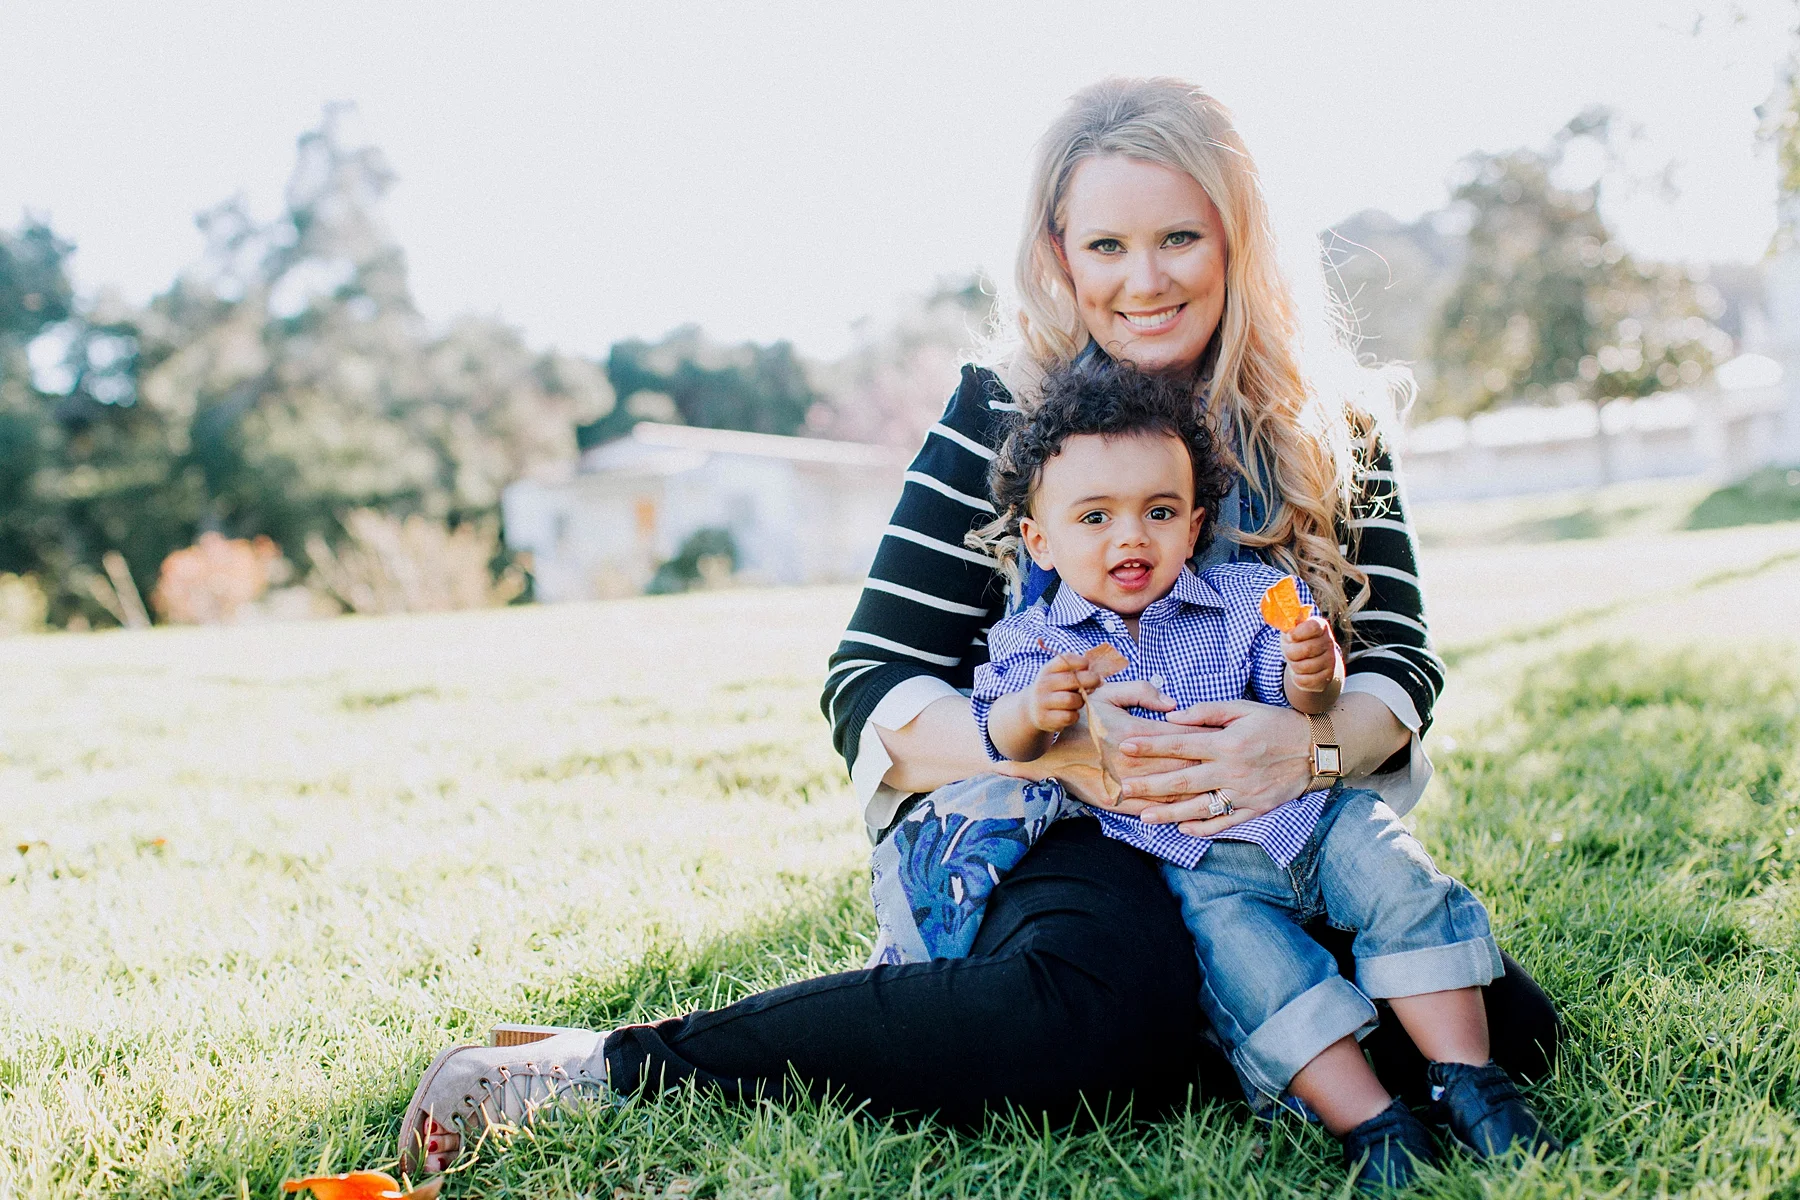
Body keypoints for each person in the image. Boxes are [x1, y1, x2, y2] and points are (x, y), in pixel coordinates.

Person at [397, 76, 1562, 1180]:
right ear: (1059, 252)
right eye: (1105, 244)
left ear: (1237, 242)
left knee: (1509, 1029)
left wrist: (1298, 749)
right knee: (1091, 1016)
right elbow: (872, 677)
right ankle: (590, 1070)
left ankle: (1207, 1022)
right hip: (1061, 820)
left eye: (1179, 239)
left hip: (1275, 816)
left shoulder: (1324, 421)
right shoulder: (999, 413)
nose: (1142, 279)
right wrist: (1060, 746)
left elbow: (1399, 658)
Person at [869, 359, 1556, 1188]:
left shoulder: (1247, 594)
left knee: (1403, 886)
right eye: (1096, 517)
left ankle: (1469, 1082)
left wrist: (1314, 665)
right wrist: (1044, 711)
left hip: (1315, 820)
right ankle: (1373, 1124)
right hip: (1199, 868)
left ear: (1195, 526)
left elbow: (1308, 694)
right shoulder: (1035, 644)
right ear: (1040, 541)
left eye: (1159, 512)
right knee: (1263, 978)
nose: (1132, 538)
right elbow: (1005, 735)